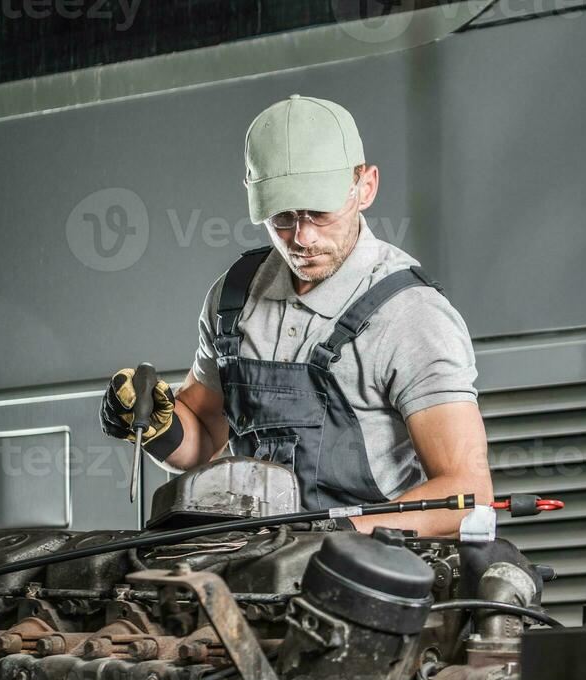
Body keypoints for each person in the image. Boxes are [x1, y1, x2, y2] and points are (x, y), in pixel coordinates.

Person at [100, 95, 492, 534]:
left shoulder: (410, 315)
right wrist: (159, 426)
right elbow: (206, 441)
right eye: (282, 218)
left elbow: (467, 493)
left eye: (318, 214)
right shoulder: (233, 298)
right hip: (249, 562)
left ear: (365, 186)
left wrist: (339, 538)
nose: (301, 237)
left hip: (365, 574)